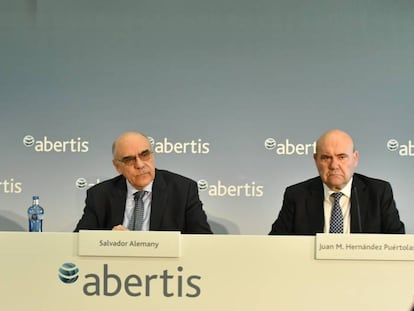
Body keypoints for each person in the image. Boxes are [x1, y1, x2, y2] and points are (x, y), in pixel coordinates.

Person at [269, 129, 405, 235]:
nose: (334, 165)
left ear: (355, 158)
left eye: (342, 157)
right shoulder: (297, 195)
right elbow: (275, 245)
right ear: (316, 160)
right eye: (326, 158)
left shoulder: (379, 192)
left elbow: (396, 243)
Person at [74, 131, 212, 234]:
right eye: (129, 159)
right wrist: (108, 240)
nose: (140, 164)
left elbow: (203, 241)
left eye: (145, 155)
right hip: (113, 269)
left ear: (152, 155)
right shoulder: (100, 195)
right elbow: (80, 240)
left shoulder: (183, 190)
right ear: (117, 166)